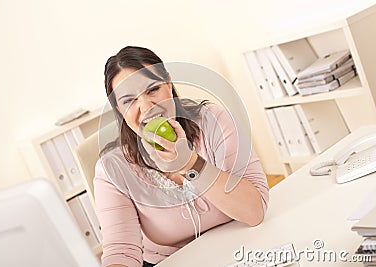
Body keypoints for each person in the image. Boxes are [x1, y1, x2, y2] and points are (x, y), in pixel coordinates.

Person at [94, 46, 269, 267]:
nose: (146, 107)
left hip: (243, 247)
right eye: (129, 100)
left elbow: (254, 211)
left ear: (169, 84)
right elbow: (121, 252)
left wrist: (190, 164)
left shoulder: (214, 121)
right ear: (119, 109)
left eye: (153, 89)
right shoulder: (113, 168)